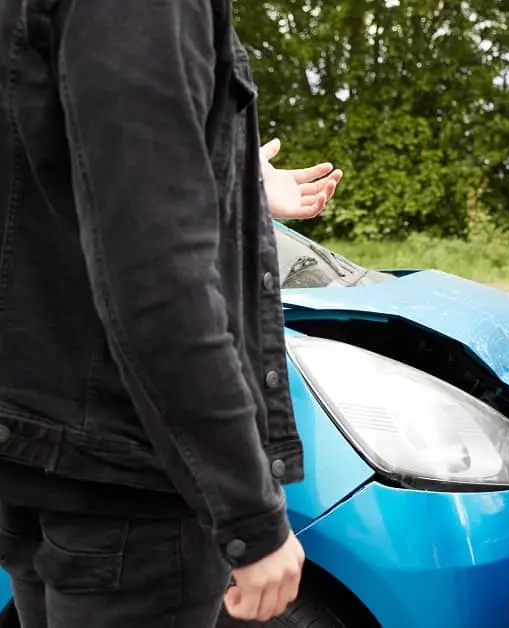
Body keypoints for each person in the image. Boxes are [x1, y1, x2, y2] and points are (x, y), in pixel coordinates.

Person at [0, 1, 341, 626]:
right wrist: (250, 519)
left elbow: (54, 174)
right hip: (129, 491)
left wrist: (227, 176)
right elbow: (159, 280)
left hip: (51, 456)